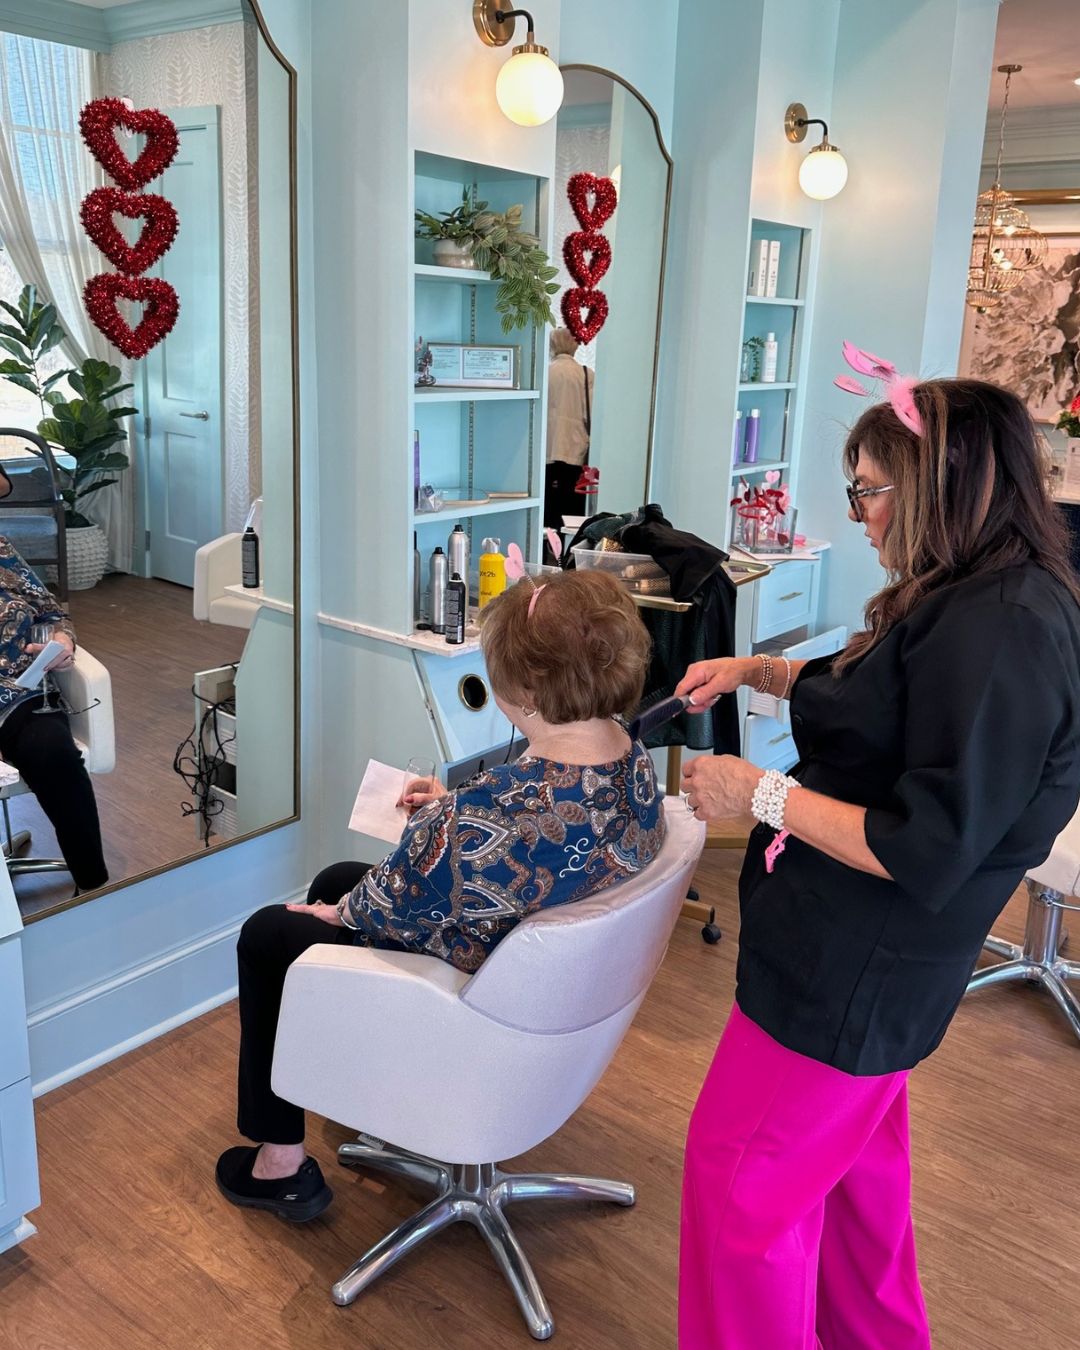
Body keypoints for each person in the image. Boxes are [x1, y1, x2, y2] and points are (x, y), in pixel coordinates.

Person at [674, 377, 1080, 1348]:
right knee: (860, 1214)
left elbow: (926, 843)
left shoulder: (1004, 628)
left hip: (852, 974)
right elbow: (882, 699)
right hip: (866, 971)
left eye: (867, 491)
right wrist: (758, 672)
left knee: (741, 1206)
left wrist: (755, 794)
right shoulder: (971, 596)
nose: (857, 517)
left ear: (938, 481)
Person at [216, 569, 666, 1222]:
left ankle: (280, 1163)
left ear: (529, 688)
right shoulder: (631, 759)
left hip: (485, 1010)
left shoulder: (482, 819)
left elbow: (380, 902)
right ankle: (356, 1087)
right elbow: (537, 831)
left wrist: (338, 910)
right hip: (564, 989)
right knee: (340, 875)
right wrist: (454, 810)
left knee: (274, 931)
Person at [0, 534, 107, 892]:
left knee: (54, 752)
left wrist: (63, 640)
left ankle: (93, 887)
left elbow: (52, 611)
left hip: (20, 692)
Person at [545, 327, 594, 533]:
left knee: (547, 515)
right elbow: (592, 413)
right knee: (572, 517)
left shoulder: (544, 373)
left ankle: (545, 555)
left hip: (546, 451)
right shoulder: (586, 375)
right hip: (575, 452)